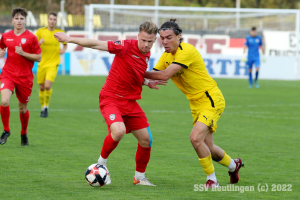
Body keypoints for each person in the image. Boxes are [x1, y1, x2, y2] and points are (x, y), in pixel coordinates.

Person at [54, 21, 165, 186]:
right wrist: (69, 39)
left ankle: (139, 178)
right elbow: (96, 43)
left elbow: (134, 74)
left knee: (146, 140)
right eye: (143, 40)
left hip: (130, 102)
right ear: (137, 37)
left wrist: (146, 82)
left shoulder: (146, 54)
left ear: (154, 40)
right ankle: (101, 164)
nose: (146, 44)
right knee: (118, 131)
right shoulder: (125, 46)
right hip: (111, 97)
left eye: (150, 41)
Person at [144, 19, 244, 188]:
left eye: (169, 37)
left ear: (178, 36)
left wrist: (139, 73)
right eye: (162, 38)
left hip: (210, 99)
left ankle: (212, 180)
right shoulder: (166, 56)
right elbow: (152, 74)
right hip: (195, 103)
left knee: (195, 138)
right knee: (209, 147)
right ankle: (234, 165)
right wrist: (140, 78)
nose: (165, 42)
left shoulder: (186, 51)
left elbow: (164, 75)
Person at [0, 8, 42, 146]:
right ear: (12, 20)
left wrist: (23, 53)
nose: (19, 21)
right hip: (8, 74)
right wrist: (1, 53)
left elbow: (39, 57)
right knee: (4, 101)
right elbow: (2, 49)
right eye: (16, 18)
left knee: (22, 109)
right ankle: (6, 130)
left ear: (25, 20)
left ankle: (23, 133)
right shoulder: (5, 36)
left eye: (22, 18)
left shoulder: (31, 37)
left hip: (25, 78)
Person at [35, 12, 67, 117]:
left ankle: (46, 107)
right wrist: (38, 43)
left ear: (56, 21)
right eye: (51, 19)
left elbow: (65, 44)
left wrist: (63, 49)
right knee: (41, 88)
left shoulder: (60, 32)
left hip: (54, 63)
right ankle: (42, 108)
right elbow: (33, 46)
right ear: (47, 20)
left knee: (47, 86)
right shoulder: (40, 32)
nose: (52, 21)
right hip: (42, 63)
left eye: (54, 19)